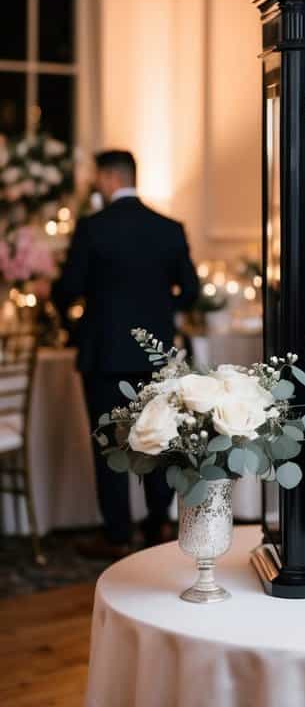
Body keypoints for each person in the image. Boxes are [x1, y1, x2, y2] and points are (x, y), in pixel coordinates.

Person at [53, 149, 200, 558]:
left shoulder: (92, 228)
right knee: (157, 438)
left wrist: (72, 324)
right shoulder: (169, 228)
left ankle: (117, 534)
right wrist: (160, 311)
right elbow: (190, 291)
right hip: (155, 355)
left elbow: (68, 289)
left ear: (108, 177)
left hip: (104, 353)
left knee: (109, 445)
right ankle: (159, 523)